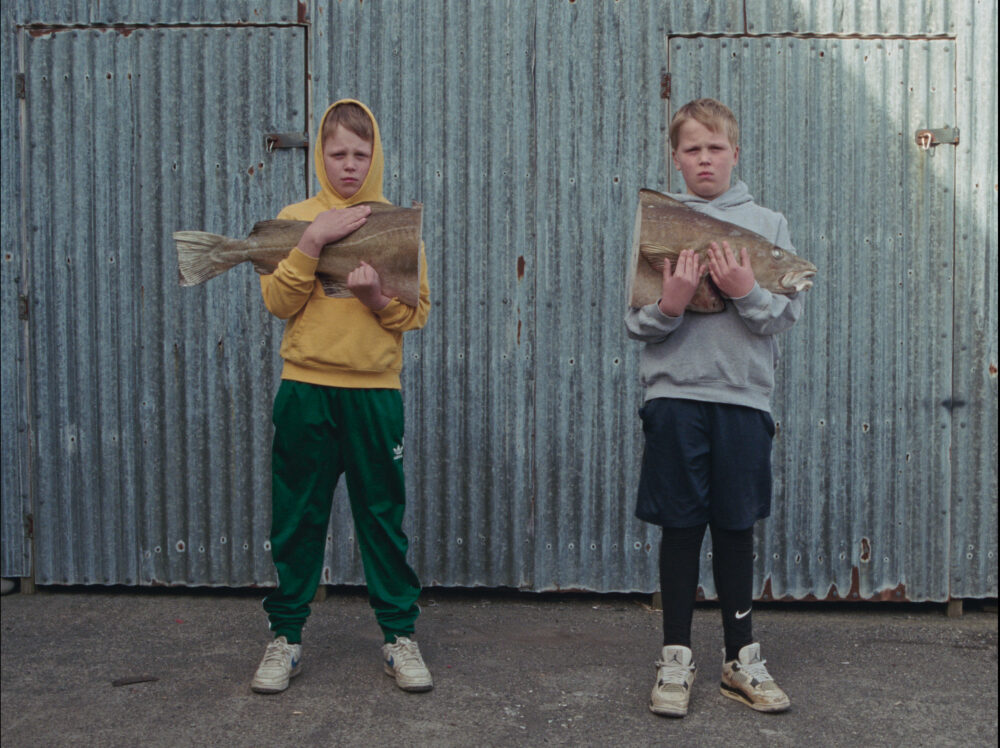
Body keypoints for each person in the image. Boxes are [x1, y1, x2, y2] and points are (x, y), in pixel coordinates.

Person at [625, 98, 803, 717]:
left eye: (716, 148)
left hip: (742, 401)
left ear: (735, 152)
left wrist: (745, 290)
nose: (705, 159)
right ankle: (675, 657)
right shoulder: (660, 224)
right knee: (680, 528)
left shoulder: (767, 224)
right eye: (692, 149)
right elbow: (637, 324)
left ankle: (740, 658)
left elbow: (782, 317)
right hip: (674, 398)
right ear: (676, 158)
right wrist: (671, 304)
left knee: (734, 528)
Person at [250, 99, 432, 694]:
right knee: (298, 516)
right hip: (305, 389)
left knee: (382, 516)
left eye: (361, 153)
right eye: (337, 154)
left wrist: (377, 298)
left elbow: (417, 312)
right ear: (321, 156)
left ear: (375, 154)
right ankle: (287, 638)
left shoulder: (395, 224)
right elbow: (278, 302)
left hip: (374, 393)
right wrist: (311, 242)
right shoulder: (295, 217)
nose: (349, 165)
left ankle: (399, 637)